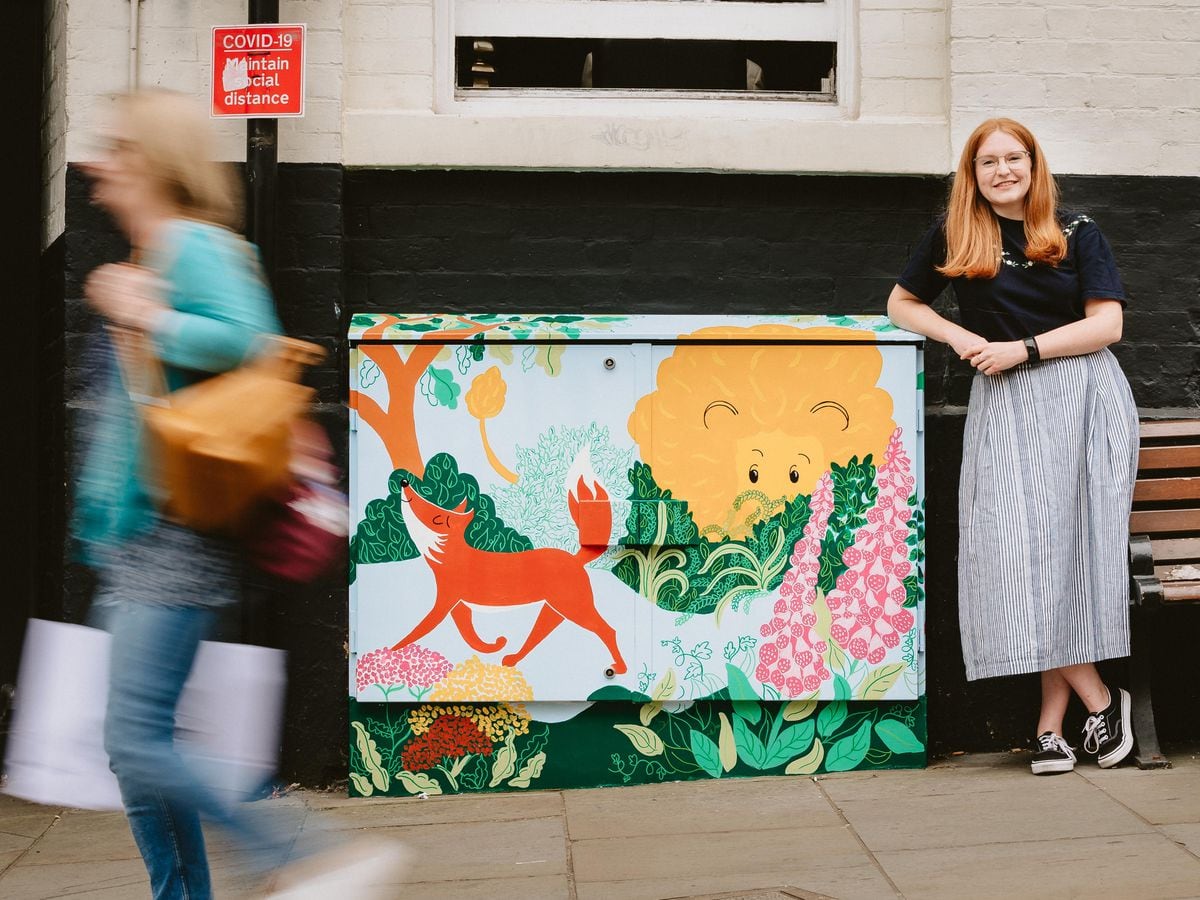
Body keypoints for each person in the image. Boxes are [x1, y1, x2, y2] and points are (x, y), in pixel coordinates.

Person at [75, 89, 404, 898]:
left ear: (153, 160)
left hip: (179, 536)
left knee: (139, 741)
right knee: (135, 747)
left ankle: (310, 858)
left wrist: (151, 318)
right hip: (136, 541)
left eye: (116, 149)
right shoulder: (152, 257)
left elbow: (255, 345)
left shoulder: (194, 250)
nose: (96, 165)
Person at [886, 118, 1139, 776]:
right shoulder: (959, 236)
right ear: (972, 175)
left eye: (1013, 158)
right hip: (1006, 406)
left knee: (1063, 557)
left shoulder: (1077, 232)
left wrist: (1022, 348)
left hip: (1083, 397)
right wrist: (953, 335)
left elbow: (1107, 324)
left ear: (1034, 164)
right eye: (987, 162)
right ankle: (1100, 696)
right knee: (1018, 558)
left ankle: (1050, 729)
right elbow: (901, 302)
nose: (1002, 170)